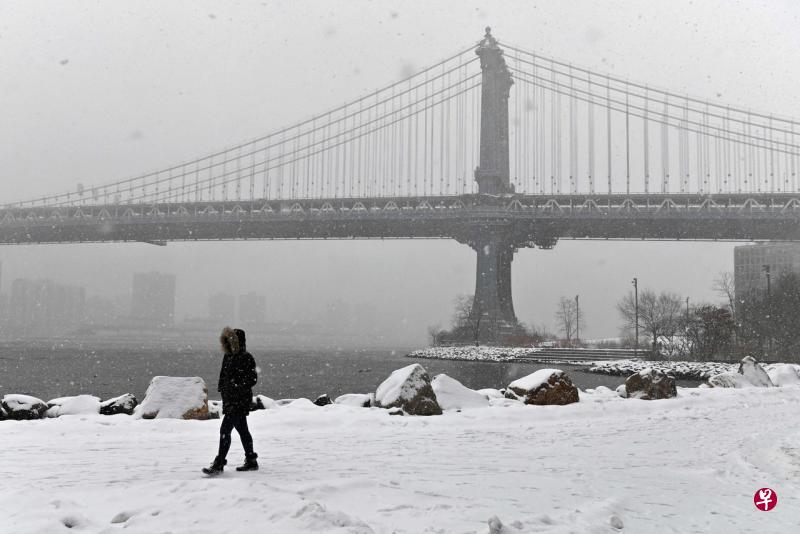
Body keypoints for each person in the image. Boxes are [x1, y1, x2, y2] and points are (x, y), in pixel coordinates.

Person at [202, 327, 259, 475]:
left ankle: (219, 463)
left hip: (239, 400)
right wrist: (222, 388)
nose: (229, 343)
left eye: (232, 340)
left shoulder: (247, 357)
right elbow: (223, 376)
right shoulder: (227, 356)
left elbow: (252, 379)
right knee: (243, 430)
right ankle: (251, 460)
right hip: (230, 400)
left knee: (225, 430)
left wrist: (236, 386)